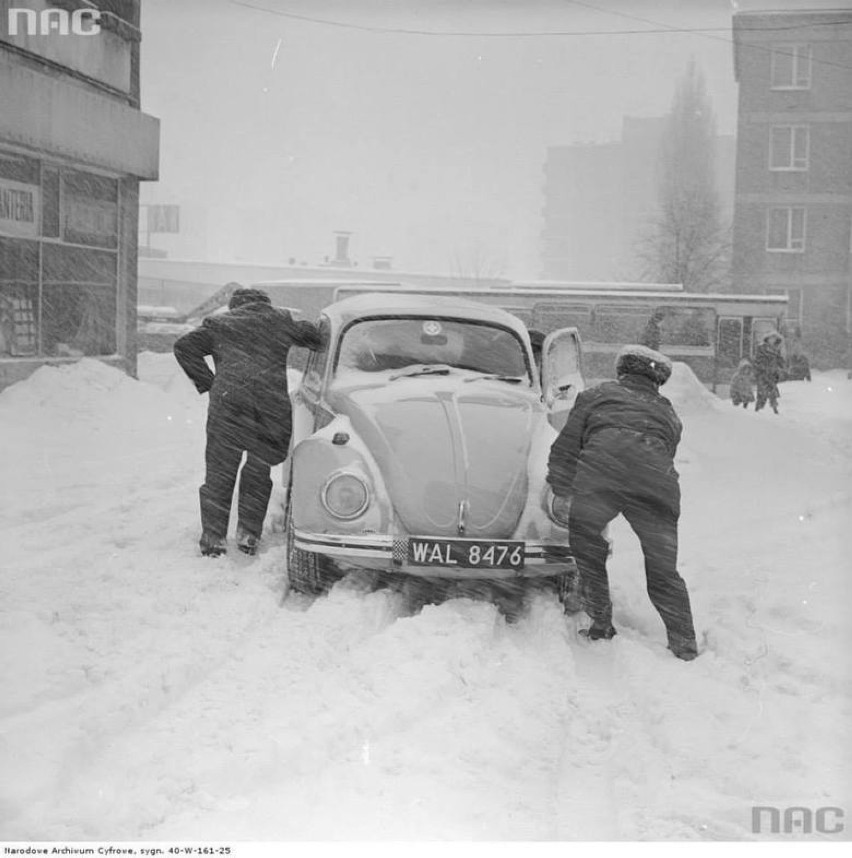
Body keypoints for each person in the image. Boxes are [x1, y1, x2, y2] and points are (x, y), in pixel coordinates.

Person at [546, 344, 698, 661]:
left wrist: (561, 489)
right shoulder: (668, 411)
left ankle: (601, 624)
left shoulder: (595, 396)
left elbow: (566, 447)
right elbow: (665, 449)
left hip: (602, 477)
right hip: (656, 485)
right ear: (657, 382)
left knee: (588, 548)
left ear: (622, 372)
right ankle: (684, 645)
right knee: (663, 571)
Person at [174, 286, 322, 557]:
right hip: (268, 407)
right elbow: (314, 337)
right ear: (265, 305)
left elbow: (184, 347)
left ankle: (213, 537)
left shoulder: (220, 325)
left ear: (234, 306)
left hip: (229, 405)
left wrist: (210, 382)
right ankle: (248, 534)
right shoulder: (280, 322)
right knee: (258, 469)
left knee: (220, 472)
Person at [753, 330, 785, 414]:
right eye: (772, 338)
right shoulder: (761, 348)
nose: (773, 340)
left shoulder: (776, 349)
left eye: (775, 338)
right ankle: (758, 409)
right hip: (762, 374)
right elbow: (758, 360)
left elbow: (780, 361)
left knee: (772, 392)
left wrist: (780, 366)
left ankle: (774, 409)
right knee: (762, 392)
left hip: (772, 374)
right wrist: (763, 367)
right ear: (767, 338)